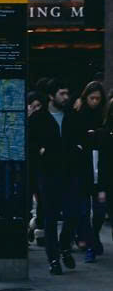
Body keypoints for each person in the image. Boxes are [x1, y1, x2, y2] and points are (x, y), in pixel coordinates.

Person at [30, 80, 86, 274]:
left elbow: (82, 138)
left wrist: (78, 149)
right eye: (62, 93)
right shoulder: (39, 118)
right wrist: (40, 151)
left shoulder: (72, 116)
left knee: (73, 213)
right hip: (48, 172)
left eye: (67, 93)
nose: (66, 97)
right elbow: (30, 143)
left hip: (70, 170)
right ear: (52, 96)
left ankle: (64, 246)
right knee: (50, 216)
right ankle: (53, 258)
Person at [74, 81, 107, 261]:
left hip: (99, 166)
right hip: (84, 166)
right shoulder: (80, 114)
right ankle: (91, 241)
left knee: (99, 209)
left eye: (97, 99)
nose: (94, 101)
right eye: (92, 98)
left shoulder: (102, 116)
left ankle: (92, 238)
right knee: (85, 210)